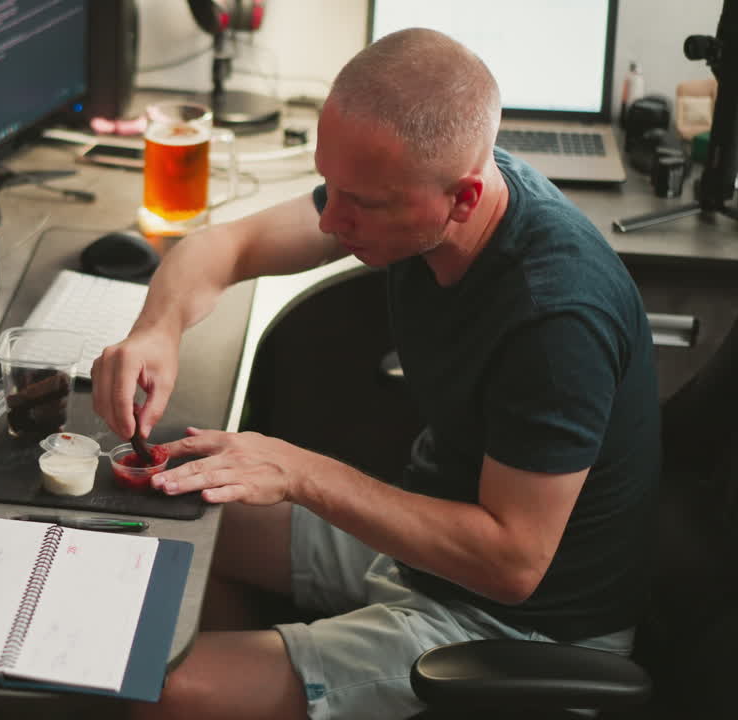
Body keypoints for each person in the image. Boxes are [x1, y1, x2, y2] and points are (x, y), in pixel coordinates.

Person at [90, 28, 660, 720]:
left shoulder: (555, 317)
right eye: (330, 186)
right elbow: (229, 245)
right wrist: (157, 328)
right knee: (178, 513)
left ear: (463, 198)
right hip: (426, 552)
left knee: (154, 690)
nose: (331, 219)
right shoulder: (432, 187)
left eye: (361, 203)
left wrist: (298, 471)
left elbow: (512, 564)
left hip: (518, 627)